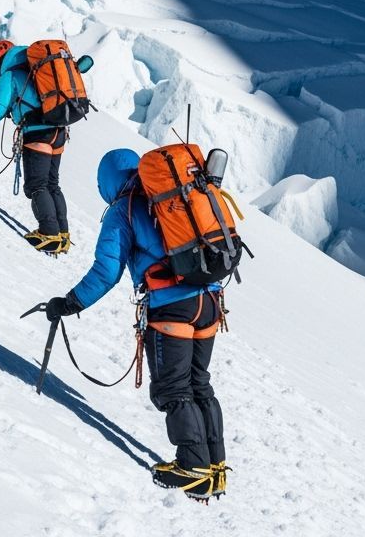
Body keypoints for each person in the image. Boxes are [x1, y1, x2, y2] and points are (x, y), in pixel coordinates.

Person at [41, 148, 228, 502]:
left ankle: (194, 466)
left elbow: (107, 271)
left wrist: (70, 303)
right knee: (198, 383)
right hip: (211, 300)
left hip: (172, 307)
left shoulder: (123, 210)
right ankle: (214, 467)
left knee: (173, 388)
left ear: (107, 183)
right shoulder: (179, 197)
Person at [0, 39, 92, 255]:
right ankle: (62, 235)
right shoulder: (38, 67)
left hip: (37, 132)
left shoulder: (10, 76)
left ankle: (49, 233)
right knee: (51, 184)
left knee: (37, 185)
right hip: (59, 129)